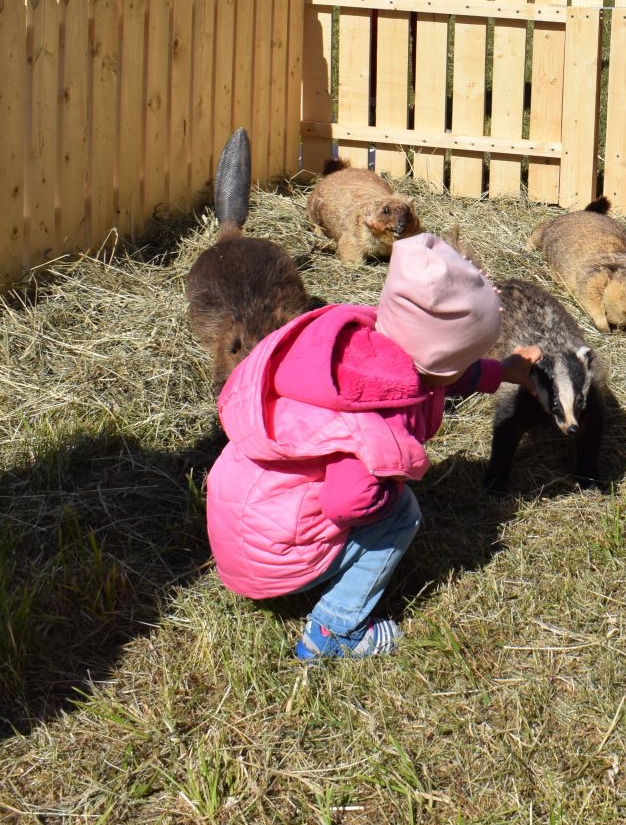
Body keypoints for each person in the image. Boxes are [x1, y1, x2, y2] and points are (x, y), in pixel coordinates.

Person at [205, 233, 540, 660]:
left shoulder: (351, 351)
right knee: (400, 515)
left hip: (240, 529)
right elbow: (348, 501)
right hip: (276, 560)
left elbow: (439, 374)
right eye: (464, 360)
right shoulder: (374, 421)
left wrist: (501, 372)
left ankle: (321, 570)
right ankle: (334, 632)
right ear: (440, 362)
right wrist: (389, 487)